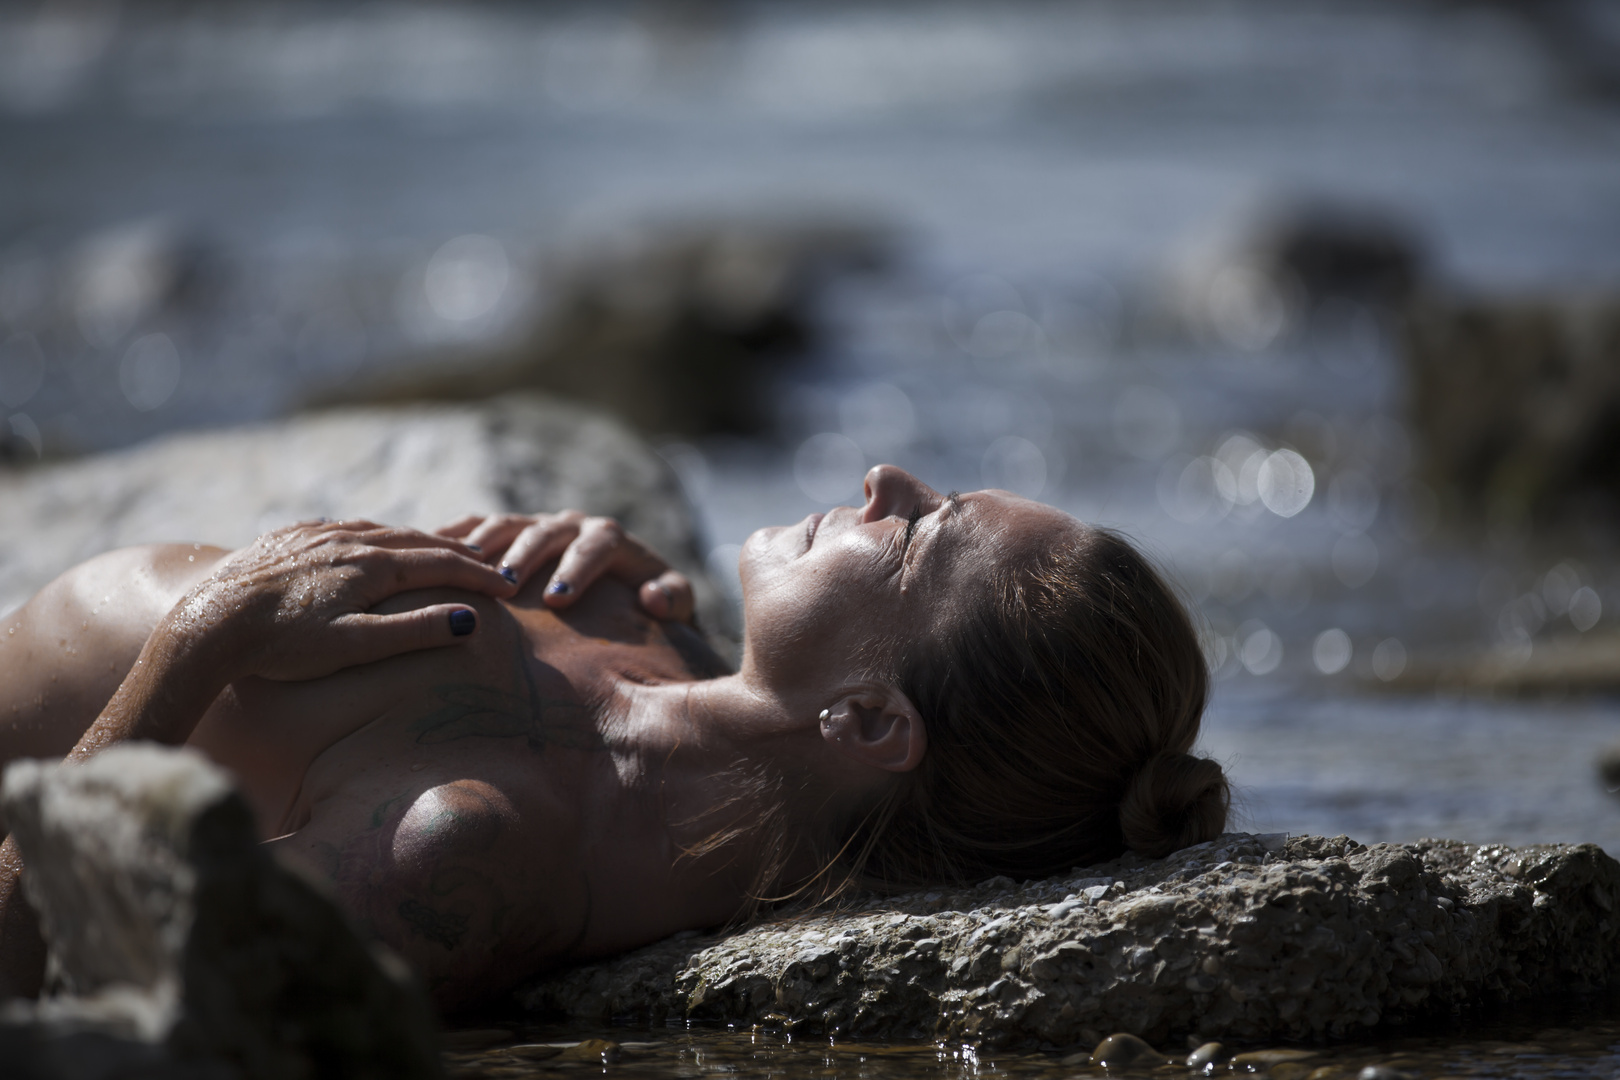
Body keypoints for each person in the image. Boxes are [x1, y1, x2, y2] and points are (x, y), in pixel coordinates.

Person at [0, 465, 1227, 1009]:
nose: (884, 477)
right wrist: (645, 629)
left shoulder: (461, 856)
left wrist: (201, 640)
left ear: (865, 720)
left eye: (917, 531)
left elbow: (41, 972)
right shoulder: (664, 642)